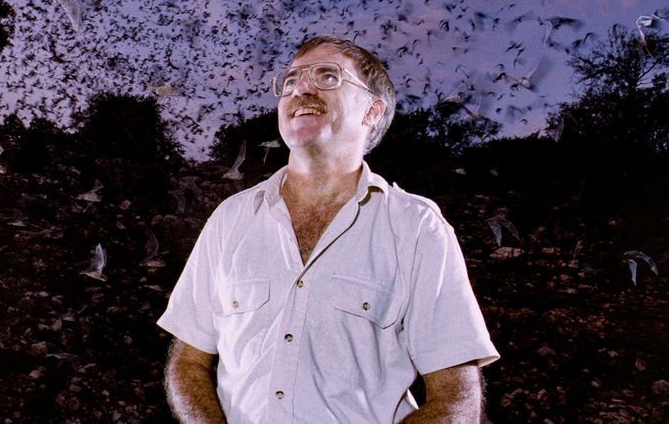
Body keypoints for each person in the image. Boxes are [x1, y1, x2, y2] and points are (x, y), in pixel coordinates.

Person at [157, 36, 499, 423]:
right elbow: (187, 361)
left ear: (372, 110)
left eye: (327, 76)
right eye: (290, 81)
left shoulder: (416, 228)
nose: (301, 88)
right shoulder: (230, 219)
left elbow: (457, 403)